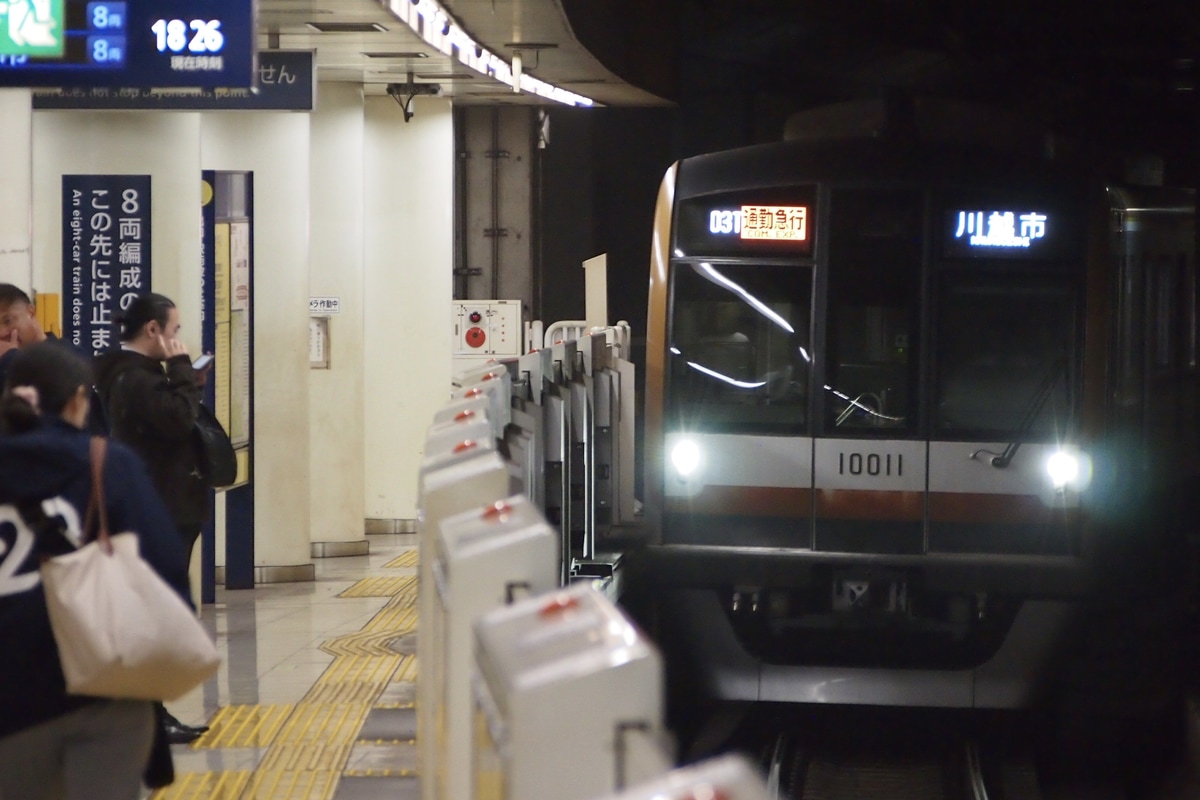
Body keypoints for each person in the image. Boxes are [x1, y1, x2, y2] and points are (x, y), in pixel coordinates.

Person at [0, 341, 191, 800]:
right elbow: (165, 568)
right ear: (76, 400)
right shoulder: (107, 465)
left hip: (10, 701)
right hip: (105, 688)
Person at [93, 292, 211, 745]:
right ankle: (148, 717)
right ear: (153, 330)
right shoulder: (134, 379)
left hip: (161, 508)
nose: (178, 339)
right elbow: (177, 421)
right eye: (174, 330)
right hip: (159, 509)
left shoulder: (134, 376)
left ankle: (148, 713)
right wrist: (182, 372)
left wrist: (184, 379)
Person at [0, 283, 50, 391]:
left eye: (8, 321)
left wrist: (10, 357)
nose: (2, 333)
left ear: (30, 312)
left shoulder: (68, 355)